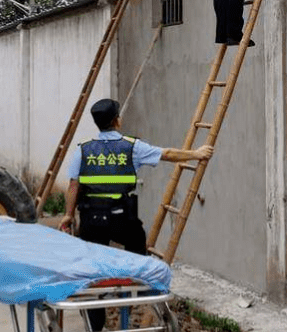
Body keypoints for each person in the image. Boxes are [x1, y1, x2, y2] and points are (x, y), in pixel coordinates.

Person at [59, 98, 213, 331]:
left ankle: (96, 322)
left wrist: (68, 215)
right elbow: (168, 154)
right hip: (122, 220)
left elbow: (73, 186)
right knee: (138, 247)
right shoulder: (131, 146)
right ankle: (129, 291)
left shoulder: (83, 149)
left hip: (91, 220)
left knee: (93, 273)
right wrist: (197, 153)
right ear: (116, 121)